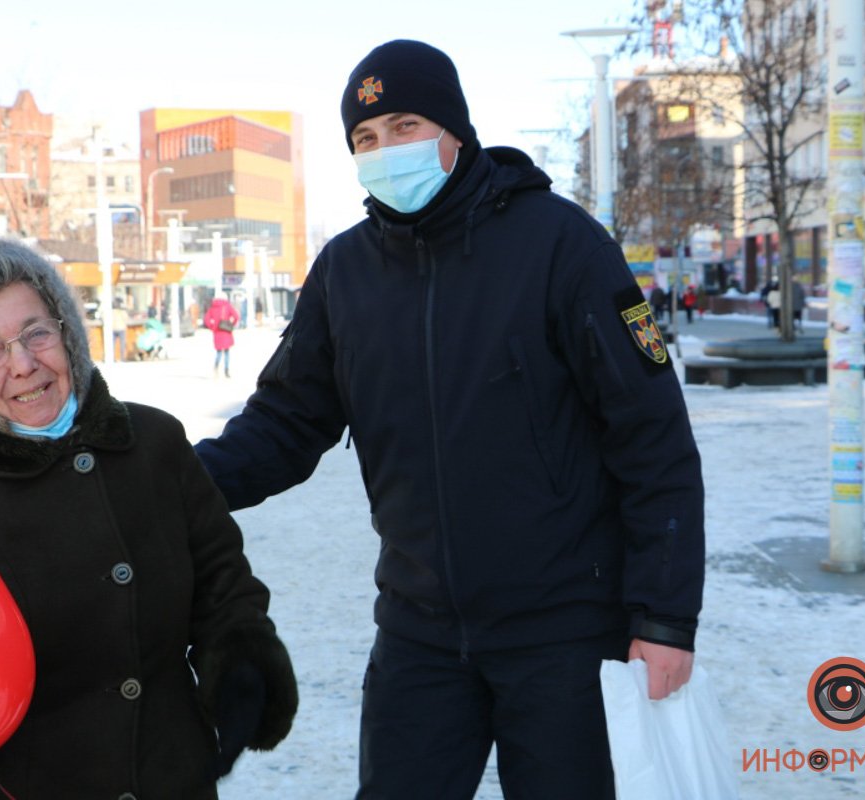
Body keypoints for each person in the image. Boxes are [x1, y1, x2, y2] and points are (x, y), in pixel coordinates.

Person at [194, 40, 704, 799]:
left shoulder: (560, 246)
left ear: (454, 130)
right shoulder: (345, 274)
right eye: (365, 139)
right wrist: (164, 476)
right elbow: (284, 426)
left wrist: (664, 620)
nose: (384, 151)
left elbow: (653, 440)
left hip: (565, 634)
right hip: (420, 633)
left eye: (403, 126)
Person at [0, 236, 298, 799]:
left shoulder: (154, 444)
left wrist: (239, 657)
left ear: (66, 329)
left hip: (173, 778)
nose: (22, 365)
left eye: (36, 333)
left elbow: (223, 582)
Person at [204, 296, 240, 378]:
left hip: (217, 332)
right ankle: (226, 371)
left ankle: (216, 367)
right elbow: (236, 316)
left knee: (219, 352)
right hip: (226, 331)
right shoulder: (227, 306)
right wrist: (231, 324)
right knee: (227, 352)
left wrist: (212, 327)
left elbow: (206, 320)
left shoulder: (213, 307)